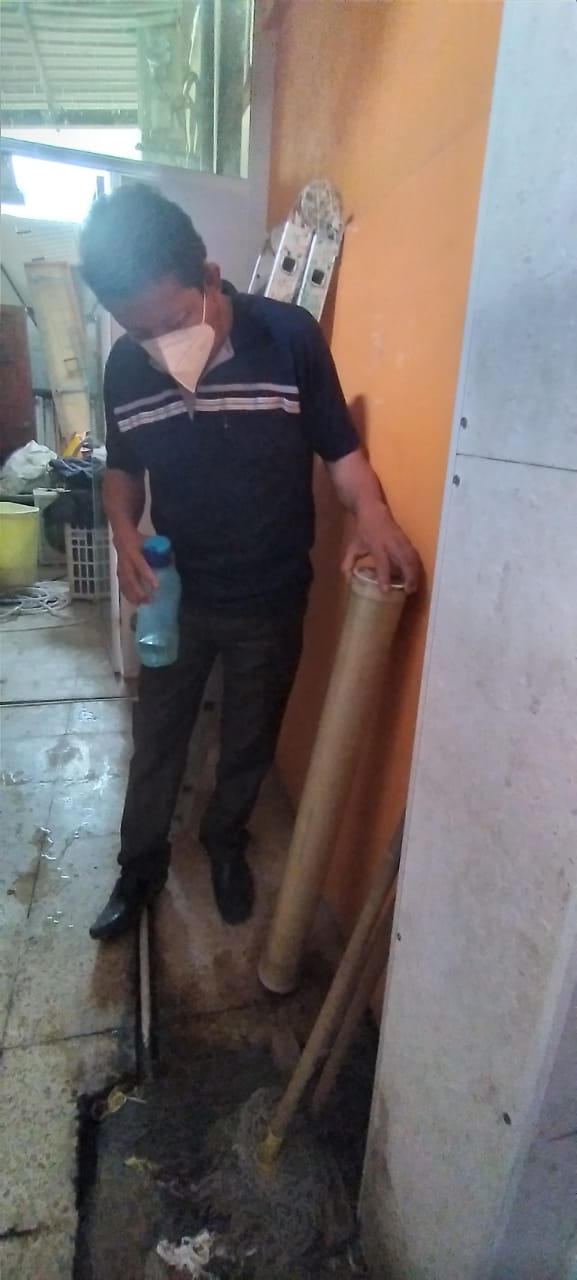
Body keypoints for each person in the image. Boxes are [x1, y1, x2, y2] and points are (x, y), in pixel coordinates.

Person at [79, 184, 419, 941]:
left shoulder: (288, 337)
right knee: (158, 735)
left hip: (270, 596)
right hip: (177, 592)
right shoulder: (127, 369)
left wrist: (371, 512)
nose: (159, 344)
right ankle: (139, 869)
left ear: (208, 275)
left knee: (248, 739)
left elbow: (342, 454)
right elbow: (123, 468)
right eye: (138, 331)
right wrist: (123, 531)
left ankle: (224, 842)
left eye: (173, 321)